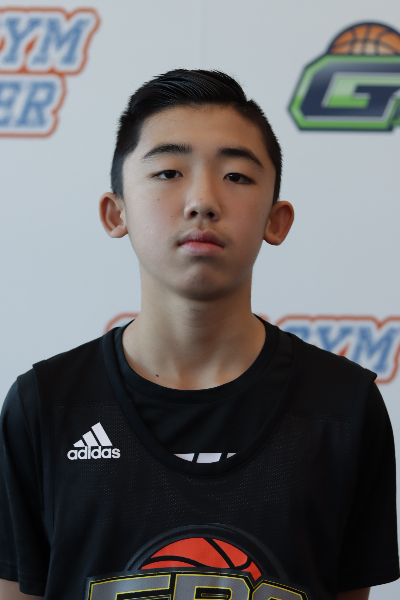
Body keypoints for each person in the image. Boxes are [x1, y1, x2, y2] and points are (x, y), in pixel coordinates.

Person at [0, 70, 398, 600]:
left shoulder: (343, 407)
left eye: (236, 176)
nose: (202, 200)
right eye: (168, 172)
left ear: (276, 220)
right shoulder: (45, 406)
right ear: (116, 212)